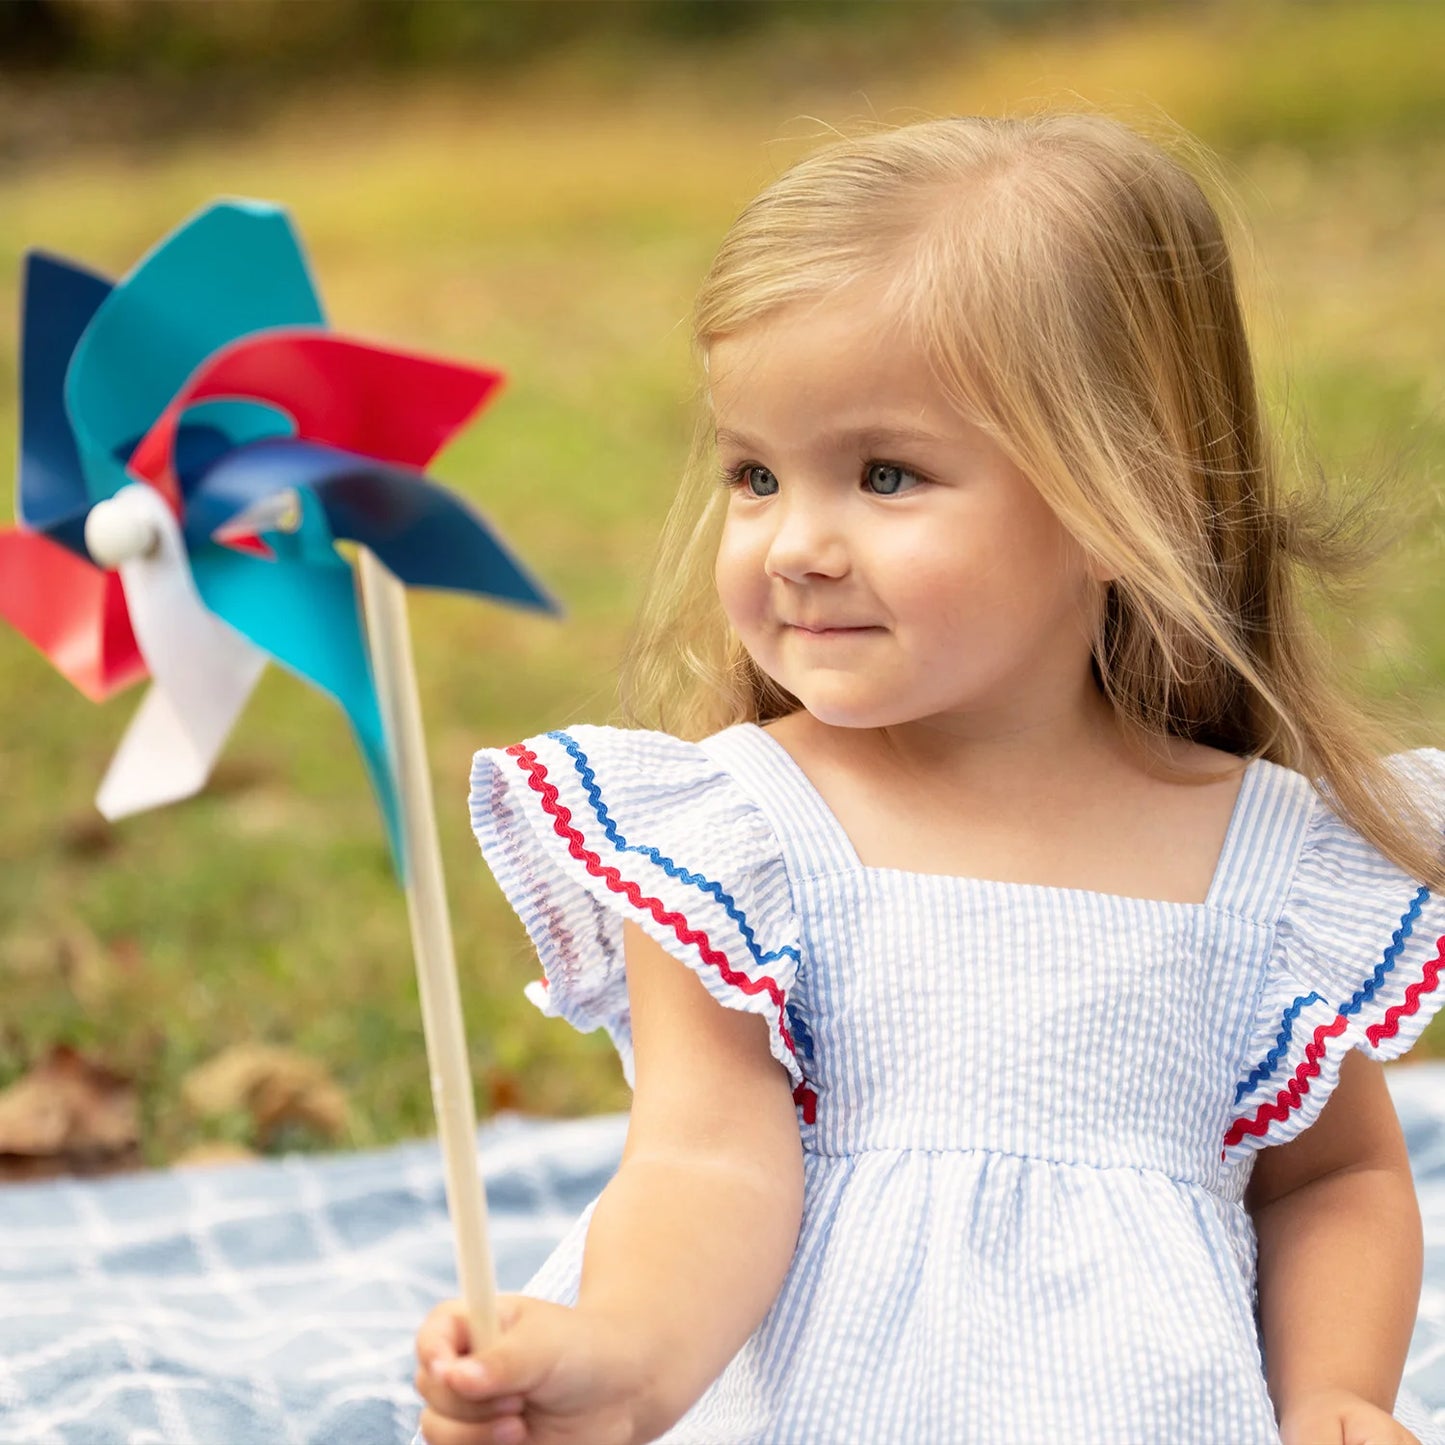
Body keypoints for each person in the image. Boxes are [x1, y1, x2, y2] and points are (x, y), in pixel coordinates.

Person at [412, 111, 1445, 1445]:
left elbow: (1331, 1177)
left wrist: (1334, 1394)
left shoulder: (1267, 861)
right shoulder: (734, 842)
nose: (794, 543)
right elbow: (703, 1157)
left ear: (1119, 492)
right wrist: (623, 1363)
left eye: (883, 474)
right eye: (754, 473)